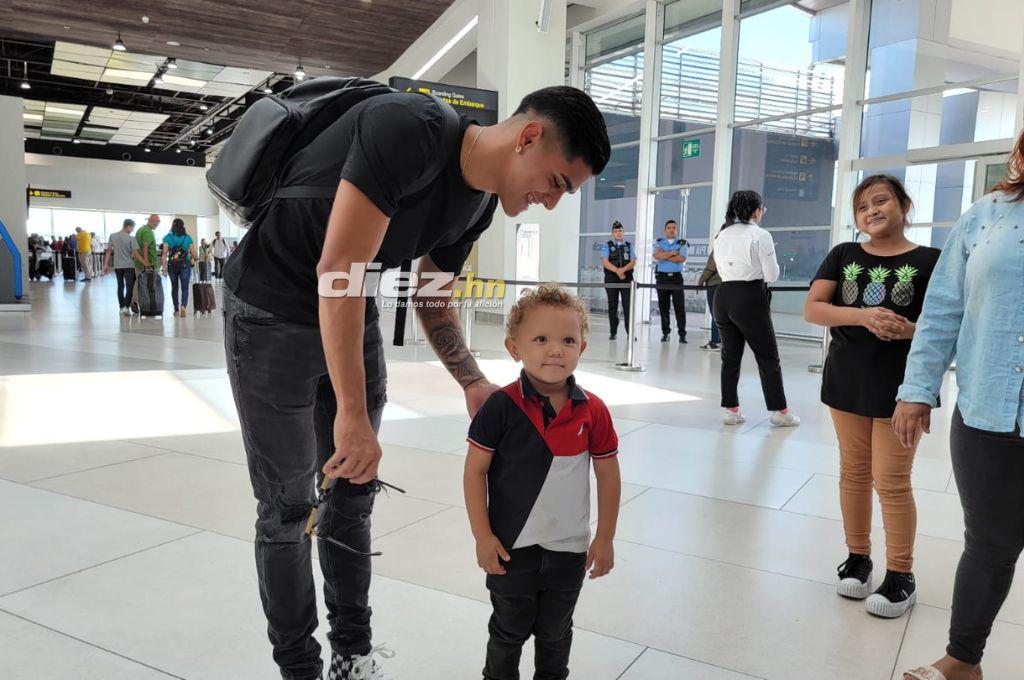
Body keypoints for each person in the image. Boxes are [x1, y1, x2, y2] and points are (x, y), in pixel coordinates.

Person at [221, 84, 609, 680]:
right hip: (270, 311)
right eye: (557, 182)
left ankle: (352, 653)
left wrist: (472, 382)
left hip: (350, 317)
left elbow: (432, 298)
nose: (550, 203)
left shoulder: (478, 203)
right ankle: (299, 667)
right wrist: (351, 413)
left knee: (351, 497)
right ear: (528, 137)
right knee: (288, 509)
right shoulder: (409, 127)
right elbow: (339, 271)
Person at [894, 130, 1024, 680]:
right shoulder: (988, 215)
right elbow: (945, 304)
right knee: (989, 544)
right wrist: (917, 388)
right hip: (989, 409)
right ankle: (962, 660)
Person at [464, 283, 620, 680]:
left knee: (556, 634)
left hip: (569, 548)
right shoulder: (500, 406)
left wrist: (604, 537)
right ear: (515, 348)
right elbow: (474, 472)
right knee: (508, 631)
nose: (556, 349)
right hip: (511, 547)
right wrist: (483, 536)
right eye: (541, 339)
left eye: (568, 340)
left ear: (582, 348)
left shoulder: (594, 411)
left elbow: (607, 473)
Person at [804, 174, 940, 619]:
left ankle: (901, 574)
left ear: (904, 204)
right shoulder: (844, 254)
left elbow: (947, 326)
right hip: (846, 382)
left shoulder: (931, 260)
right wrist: (863, 316)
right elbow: (814, 308)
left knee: (893, 481)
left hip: (903, 389)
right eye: (862, 207)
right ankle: (858, 557)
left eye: (881, 201)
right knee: (854, 473)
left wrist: (909, 329)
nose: (872, 211)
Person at [712, 190, 799, 427]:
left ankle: (731, 410)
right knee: (767, 356)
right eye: (762, 208)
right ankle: (780, 411)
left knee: (730, 357)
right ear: (755, 210)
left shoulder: (721, 234)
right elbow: (772, 274)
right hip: (749, 296)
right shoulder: (760, 235)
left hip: (723, 295)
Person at [652, 219, 688, 343]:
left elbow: (681, 258)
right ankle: (665, 333)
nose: (672, 230)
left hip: (676, 278)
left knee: (679, 307)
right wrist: (673, 253)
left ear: (676, 230)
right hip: (662, 278)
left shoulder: (681, 243)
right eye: (669, 228)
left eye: (674, 228)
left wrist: (665, 255)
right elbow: (657, 256)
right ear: (665, 230)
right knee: (664, 307)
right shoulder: (660, 243)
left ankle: (682, 334)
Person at [600, 221, 635, 340]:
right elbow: (605, 261)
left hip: (626, 278)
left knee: (628, 306)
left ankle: (630, 332)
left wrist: (623, 270)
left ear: (623, 232)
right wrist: (618, 271)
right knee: (612, 306)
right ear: (612, 233)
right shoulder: (607, 245)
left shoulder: (629, 246)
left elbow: (633, 261)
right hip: (611, 278)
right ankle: (613, 331)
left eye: (620, 230)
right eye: (615, 231)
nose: (618, 233)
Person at [105, 218, 143, 316]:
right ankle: (126, 307)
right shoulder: (131, 239)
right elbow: (135, 254)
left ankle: (121, 308)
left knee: (120, 286)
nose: (133, 230)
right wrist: (145, 262)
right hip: (129, 266)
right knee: (129, 287)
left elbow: (109, 251)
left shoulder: (112, 236)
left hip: (118, 266)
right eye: (132, 228)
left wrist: (105, 264)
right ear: (128, 226)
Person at [161, 218, 197, 317]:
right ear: (183, 226)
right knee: (185, 288)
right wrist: (194, 257)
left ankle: (176, 310)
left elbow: (164, 253)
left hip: (172, 265)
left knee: (174, 288)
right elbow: (194, 253)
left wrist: (163, 267)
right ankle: (183, 307)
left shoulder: (167, 238)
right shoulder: (187, 238)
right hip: (185, 264)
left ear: (173, 226)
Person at [697, 251, 722, 351]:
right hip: (728, 284)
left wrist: (701, 280)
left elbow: (711, 267)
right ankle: (721, 341)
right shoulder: (735, 247)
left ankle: (715, 342)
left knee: (715, 314)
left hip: (715, 284)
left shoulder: (720, 246)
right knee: (723, 315)